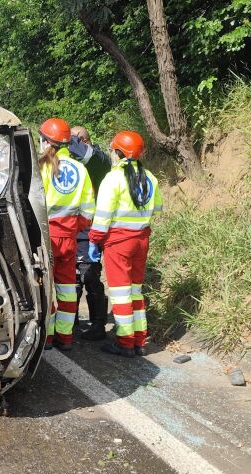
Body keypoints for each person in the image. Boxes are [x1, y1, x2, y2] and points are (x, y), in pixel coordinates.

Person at [88, 131, 162, 357]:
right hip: (141, 240)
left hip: (118, 243)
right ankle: (140, 340)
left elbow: (102, 216)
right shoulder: (150, 177)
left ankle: (125, 342)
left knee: (120, 294)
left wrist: (94, 240)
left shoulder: (113, 178)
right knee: (135, 292)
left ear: (118, 152)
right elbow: (157, 209)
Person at [38, 118, 95, 351]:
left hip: (47, 238)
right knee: (68, 288)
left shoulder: (41, 167)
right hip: (70, 237)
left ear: (45, 141)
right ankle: (66, 338)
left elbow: (33, 205)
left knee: (47, 289)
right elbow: (89, 208)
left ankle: (49, 338)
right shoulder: (81, 169)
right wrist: (75, 227)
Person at [68, 126, 111, 341]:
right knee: (72, 279)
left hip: (90, 231)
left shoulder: (99, 160)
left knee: (90, 276)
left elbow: (86, 154)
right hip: (73, 229)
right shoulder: (75, 164)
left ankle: (98, 325)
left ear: (82, 140)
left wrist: (65, 139)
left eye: (75, 140)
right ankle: (71, 323)